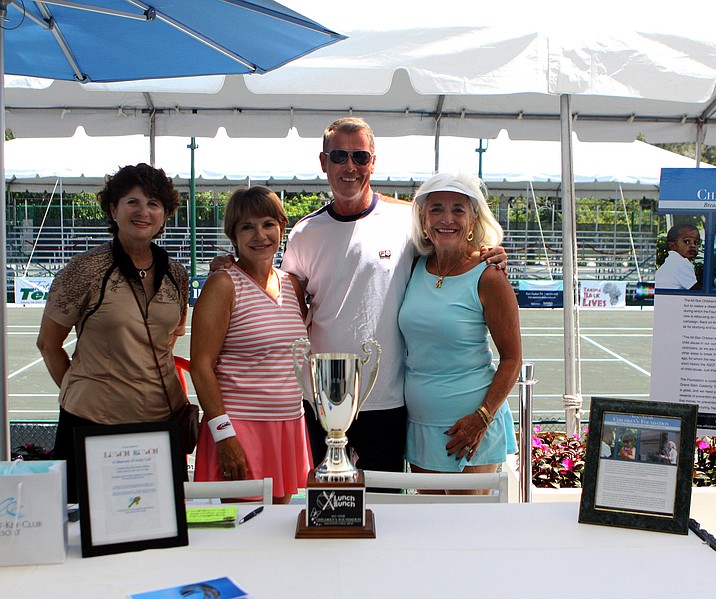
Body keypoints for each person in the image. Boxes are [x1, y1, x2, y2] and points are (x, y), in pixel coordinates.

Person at [280, 117, 507, 474]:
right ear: (323, 162)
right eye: (339, 156)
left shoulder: (406, 222)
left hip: (387, 401)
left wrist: (491, 252)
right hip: (323, 401)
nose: (349, 166)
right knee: (325, 502)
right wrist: (229, 265)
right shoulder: (304, 232)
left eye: (360, 156)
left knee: (387, 511)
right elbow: (279, 293)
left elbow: (453, 248)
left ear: (373, 162)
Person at [36, 163, 189, 502]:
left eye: (153, 203)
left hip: (161, 423)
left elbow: (167, 340)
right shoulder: (84, 270)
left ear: (165, 214)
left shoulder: (176, 273)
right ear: (113, 209)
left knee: (160, 525)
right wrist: (83, 390)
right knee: (88, 531)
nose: (143, 211)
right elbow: (48, 344)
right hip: (93, 424)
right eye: (132, 201)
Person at [398, 172, 520, 490]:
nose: (446, 219)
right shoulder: (412, 266)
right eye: (436, 209)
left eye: (458, 209)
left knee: (470, 534)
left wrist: (482, 417)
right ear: (423, 220)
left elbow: (512, 359)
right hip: (421, 427)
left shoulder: (490, 276)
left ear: (473, 219)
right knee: (431, 531)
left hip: (472, 431)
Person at [190, 187, 311, 504]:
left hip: (288, 426)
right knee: (247, 532)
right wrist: (224, 434)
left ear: (281, 227)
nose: (260, 235)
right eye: (247, 226)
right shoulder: (223, 284)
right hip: (241, 429)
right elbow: (201, 366)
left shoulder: (292, 284)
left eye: (268, 223)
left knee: (278, 533)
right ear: (234, 235)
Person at [655, 224, 700, 290]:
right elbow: (696, 291)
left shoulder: (671, 262)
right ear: (672, 246)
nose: (693, 245)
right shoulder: (681, 263)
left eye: (696, 243)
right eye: (687, 241)